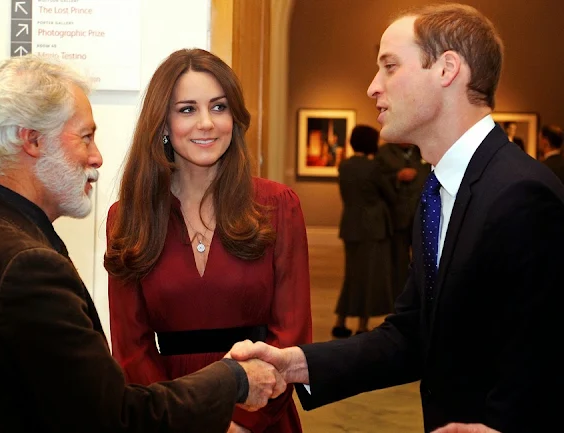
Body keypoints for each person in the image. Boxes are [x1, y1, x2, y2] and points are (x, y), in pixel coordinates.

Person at [228, 3, 564, 433]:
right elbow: (412, 334)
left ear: (446, 69)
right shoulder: (438, 192)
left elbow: (539, 360)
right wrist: (296, 364)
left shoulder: (521, 194)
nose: (372, 87)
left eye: (389, 67)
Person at [0, 55, 285, 433]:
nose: (96, 157)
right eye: (85, 137)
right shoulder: (27, 265)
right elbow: (115, 417)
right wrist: (234, 379)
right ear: (32, 141)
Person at [104, 48, 312, 433]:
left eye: (219, 108)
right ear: (162, 124)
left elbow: (293, 334)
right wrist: (177, 418)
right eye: (187, 110)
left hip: (262, 412)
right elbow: (131, 348)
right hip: (169, 414)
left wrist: (241, 424)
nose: (206, 124)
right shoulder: (128, 216)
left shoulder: (278, 206)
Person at [332, 125, 395, 338]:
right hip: (373, 227)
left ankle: (341, 320)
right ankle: (362, 324)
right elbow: (390, 193)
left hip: (350, 224)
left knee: (351, 275)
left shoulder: (345, 166)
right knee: (368, 276)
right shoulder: (373, 167)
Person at [375, 142, 430, 300]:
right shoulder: (384, 153)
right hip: (397, 216)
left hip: (422, 214)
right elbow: (378, 180)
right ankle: (399, 298)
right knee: (399, 261)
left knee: (424, 259)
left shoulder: (423, 150)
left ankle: (421, 297)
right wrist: (397, 177)